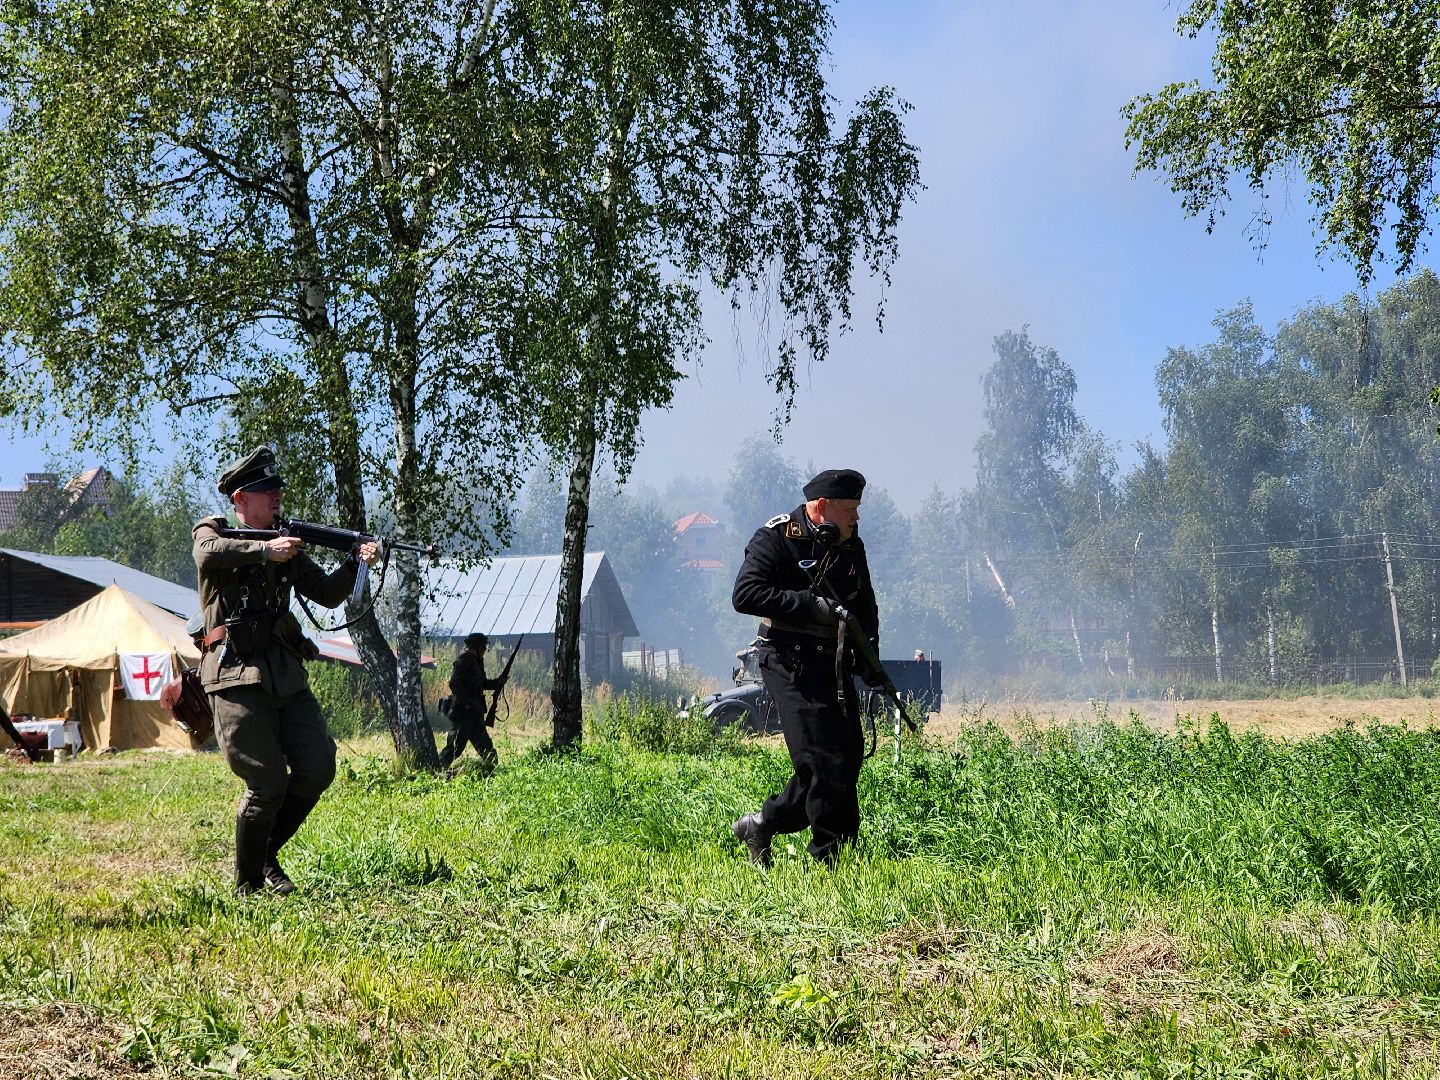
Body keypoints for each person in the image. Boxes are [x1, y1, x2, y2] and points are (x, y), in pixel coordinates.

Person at [193, 446, 379, 896]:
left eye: (277, 489)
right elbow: (208, 555)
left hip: (282, 672)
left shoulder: (287, 545)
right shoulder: (213, 531)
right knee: (268, 782)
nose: (276, 496)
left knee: (317, 766)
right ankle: (249, 885)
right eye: (265, 490)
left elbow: (328, 594)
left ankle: (264, 855)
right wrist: (265, 551)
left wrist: (355, 560)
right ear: (240, 499)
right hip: (236, 672)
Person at [730, 468, 879, 867]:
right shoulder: (776, 537)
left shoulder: (851, 545)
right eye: (849, 509)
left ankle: (763, 822)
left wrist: (870, 662)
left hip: (833, 662)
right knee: (822, 760)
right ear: (822, 506)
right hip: (787, 659)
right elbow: (745, 594)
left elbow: (865, 606)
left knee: (845, 757)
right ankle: (833, 862)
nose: (856, 518)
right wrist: (810, 606)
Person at [441, 632, 503, 769]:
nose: (485, 651)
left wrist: (498, 682)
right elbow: (454, 683)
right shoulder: (464, 660)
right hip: (464, 712)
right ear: (478, 647)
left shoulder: (477, 662)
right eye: (484, 647)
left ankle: (494, 771)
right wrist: (467, 703)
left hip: (475, 712)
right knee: (455, 747)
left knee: (486, 746)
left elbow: (482, 684)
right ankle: (437, 770)